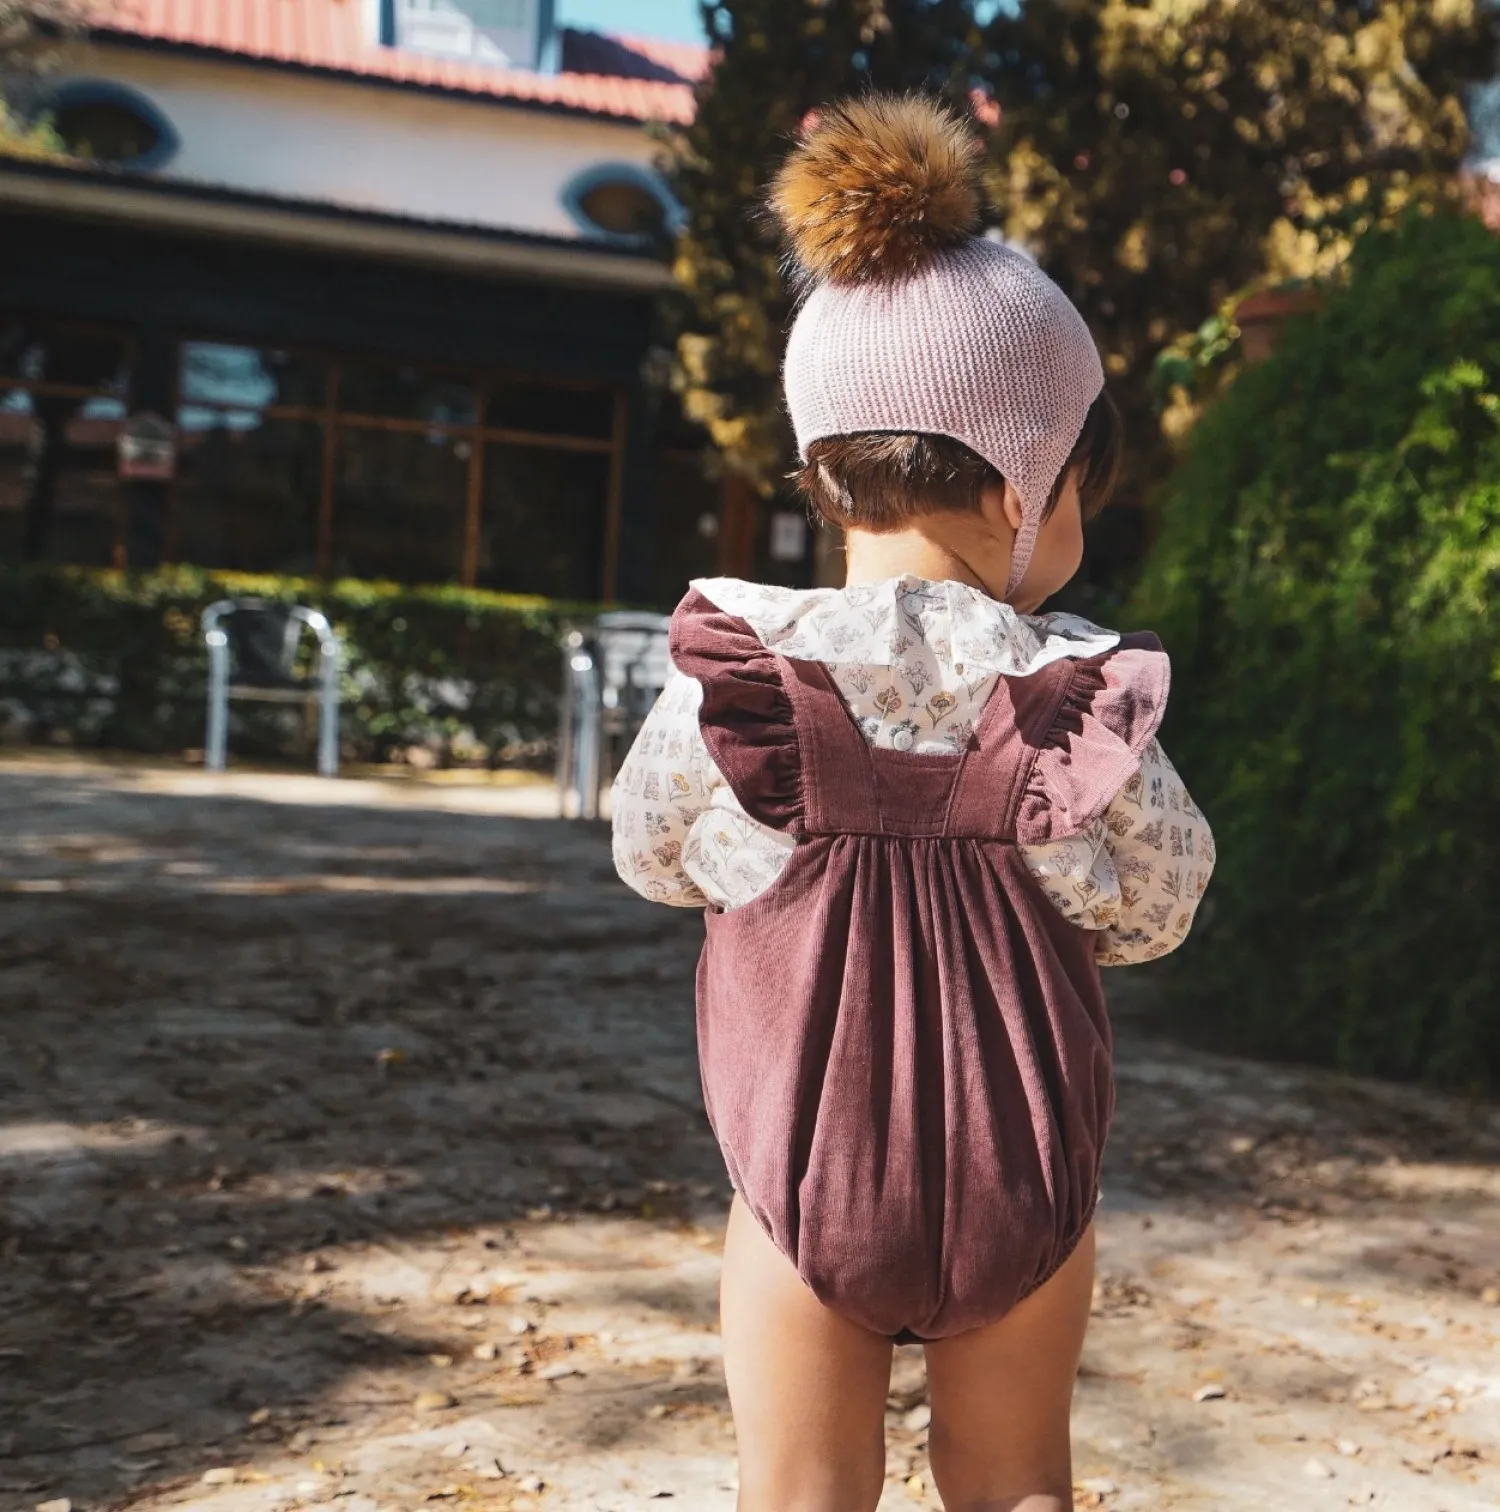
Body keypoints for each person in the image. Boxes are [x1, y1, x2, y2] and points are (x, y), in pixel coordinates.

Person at [611, 93, 1214, 1512]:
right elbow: (1166, 902)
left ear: (822, 468)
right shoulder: (1070, 696)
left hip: (802, 1189)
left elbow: (652, 853)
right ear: (1024, 488)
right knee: (1018, 1489)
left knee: (801, 1497)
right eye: (1083, 488)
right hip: (1026, 1185)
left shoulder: (744, 678)